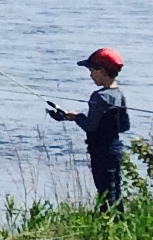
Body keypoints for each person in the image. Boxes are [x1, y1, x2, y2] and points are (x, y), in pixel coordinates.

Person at [47, 47, 134, 209]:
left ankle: (106, 223)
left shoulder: (98, 97)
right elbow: (124, 126)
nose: (90, 75)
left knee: (104, 191)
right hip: (115, 151)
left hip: (100, 152)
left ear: (101, 70)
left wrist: (76, 117)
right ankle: (120, 222)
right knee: (116, 189)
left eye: (91, 70)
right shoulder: (119, 94)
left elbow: (90, 126)